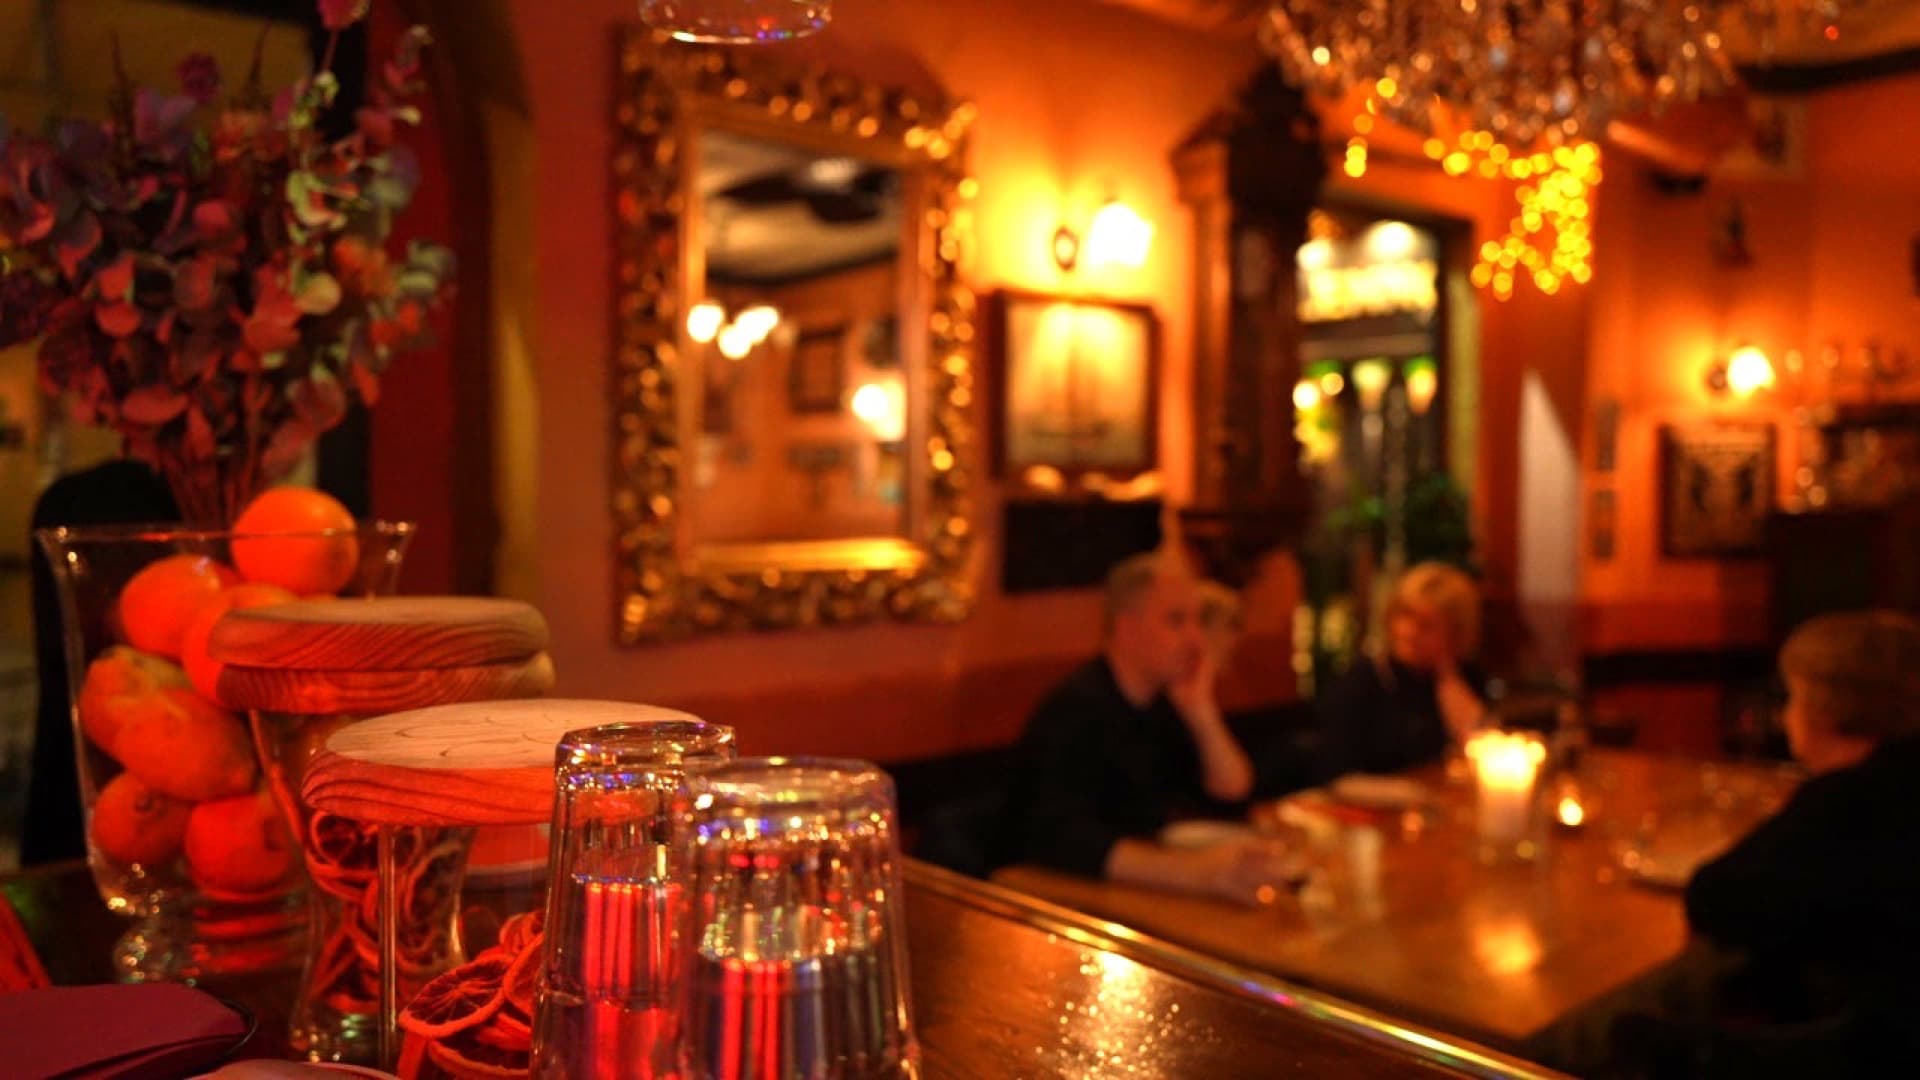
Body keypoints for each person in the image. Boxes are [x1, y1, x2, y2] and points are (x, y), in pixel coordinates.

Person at [1532, 611, 1920, 1075]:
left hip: (1838, 1051)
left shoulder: (1851, 799)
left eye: (1792, 696)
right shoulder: (1900, 775)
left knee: (1576, 1036)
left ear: (1824, 707)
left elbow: (1718, 896)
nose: (1785, 715)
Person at [998, 553, 1293, 905]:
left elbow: (1232, 793)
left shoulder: (1165, 704)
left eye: (1198, 621)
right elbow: (1060, 838)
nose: (1196, 640)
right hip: (1061, 904)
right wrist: (1194, 874)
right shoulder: (1076, 709)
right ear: (1127, 628)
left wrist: (1200, 709)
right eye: (1176, 621)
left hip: (1138, 899)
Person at [1315, 561, 1486, 780]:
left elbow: (1478, 749)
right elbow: (1337, 776)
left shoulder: (1466, 677)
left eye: (1426, 625)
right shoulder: (1361, 681)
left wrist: (1448, 677)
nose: (1409, 632)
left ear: (1456, 632)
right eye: (1404, 616)